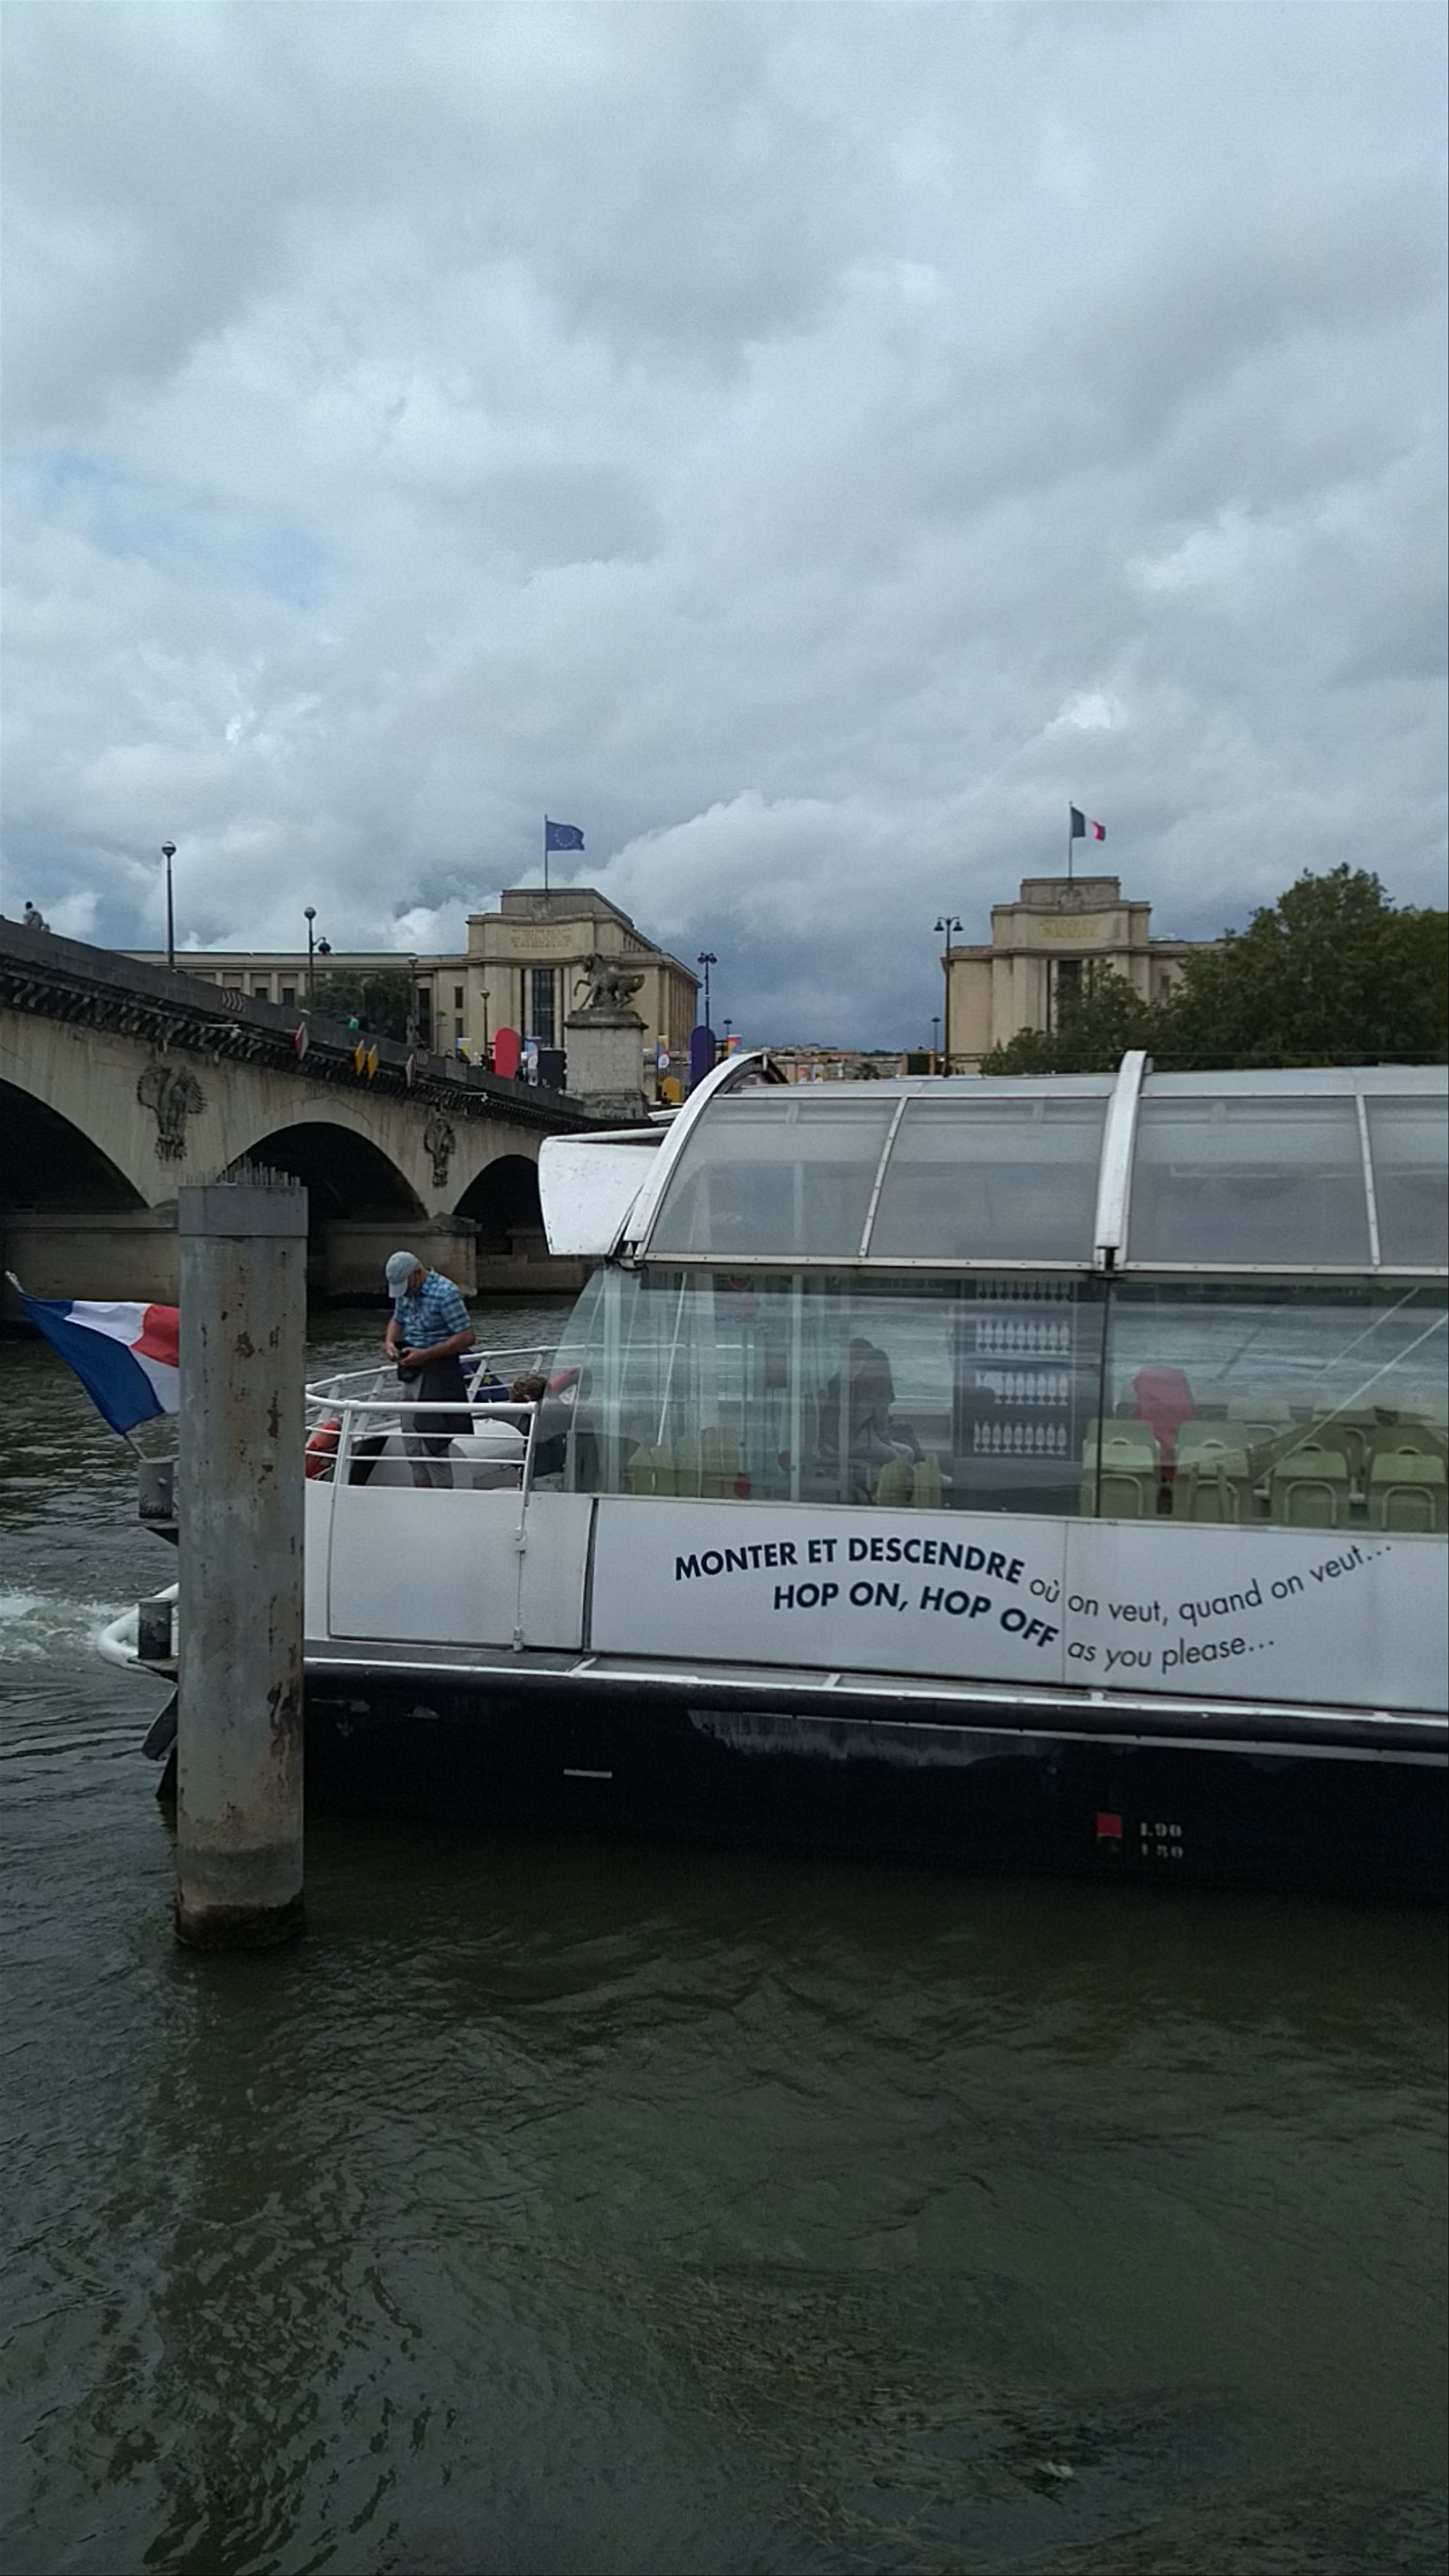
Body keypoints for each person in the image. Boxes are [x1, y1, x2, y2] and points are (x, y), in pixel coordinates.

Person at [382, 1251, 475, 1489]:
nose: (403, 1293)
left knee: (433, 1446)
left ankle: (442, 1500)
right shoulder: (406, 1294)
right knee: (412, 1443)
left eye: (405, 1285)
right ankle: (421, 1495)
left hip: (438, 1373)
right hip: (411, 1372)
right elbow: (398, 1319)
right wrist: (390, 1342)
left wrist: (426, 1355)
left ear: (417, 1274)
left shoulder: (446, 1294)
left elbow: (466, 1337)